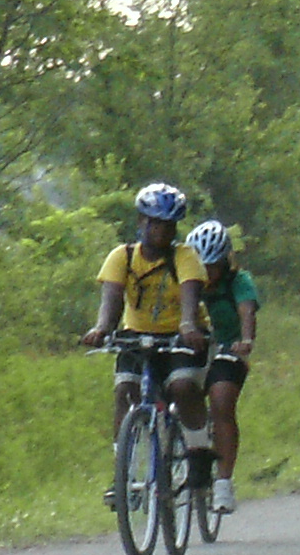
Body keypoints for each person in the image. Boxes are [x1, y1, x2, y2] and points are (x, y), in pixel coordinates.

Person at [87, 182, 214, 492]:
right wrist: (102, 328)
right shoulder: (123, 256)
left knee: (183, 387)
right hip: (136, 335)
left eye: (169, 225)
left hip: (180, 338)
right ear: (141, 222)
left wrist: (187, 325)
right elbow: (112, 297)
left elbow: (190, 293)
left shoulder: (185, 256)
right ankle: (124, 473)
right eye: (155, 222)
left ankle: (198, 452)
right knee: (125, 392)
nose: (162, 231)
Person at [186, 218, 260, 517]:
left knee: (221, 402)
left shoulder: (239, 281)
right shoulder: (187, 281)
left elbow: (247, 310)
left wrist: (245, 339)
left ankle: (223, 483)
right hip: (194, 349)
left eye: (213, 266)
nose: (207, 274)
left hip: (227, 349)